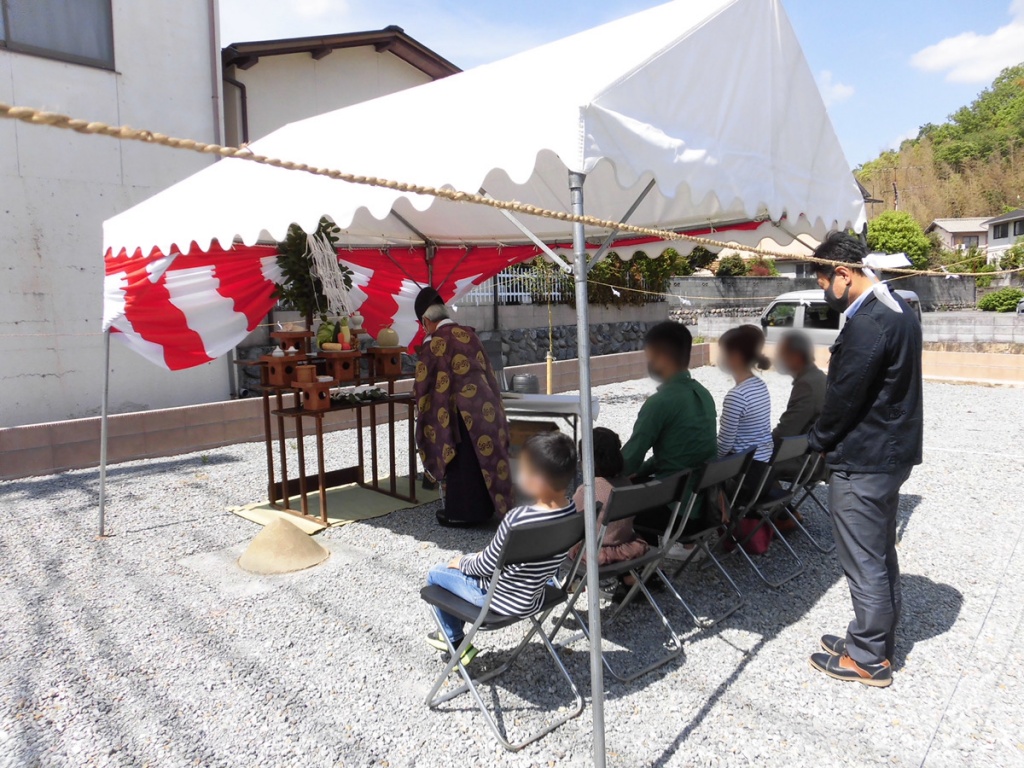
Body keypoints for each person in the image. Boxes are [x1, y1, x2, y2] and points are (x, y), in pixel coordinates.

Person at [805, 232, 923, 689]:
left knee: (864, 556)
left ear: (843, 274)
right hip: (891, 451)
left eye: (823, 284)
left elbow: (843, 398)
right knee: (878, 551)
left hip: (866, 457)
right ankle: (871, 637)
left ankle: (870, 657)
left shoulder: (869, 323)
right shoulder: (897, 306)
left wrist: (817, 440)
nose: (824, 295)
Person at [424, 432, 578, 664]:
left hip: (496, 598)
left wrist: (462, 561)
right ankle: (449, 636)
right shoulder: (571, 510)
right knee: (464, 564)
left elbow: (486, 566)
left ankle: (454, 640)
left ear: (538, 480)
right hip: (534, 595)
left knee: (436, 574)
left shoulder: (519, 519)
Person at [413, 287, 513, 527]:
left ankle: (463, 514)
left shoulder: (436, 343)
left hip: (460, 413)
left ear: (426, 321)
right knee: (486, 460)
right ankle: (490, 508)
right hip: (487, 407)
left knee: (463, 461)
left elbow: (423, 384)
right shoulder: (469, 334)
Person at [621, 321, 718, 541]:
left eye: (650, 358)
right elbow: (680, 451)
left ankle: (638, 569)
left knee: (606, 504)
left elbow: (628, 461)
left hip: (675, 512)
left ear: (662, 358)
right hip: (702, 506)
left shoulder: (660, 403)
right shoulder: (703, 394)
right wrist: (644, 470)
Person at [570, 427, 649, 566]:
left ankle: (574, 583)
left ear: (588, 461)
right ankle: (628, 577)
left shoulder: (588, 491)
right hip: (627, 546)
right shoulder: (627, 483)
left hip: (596, 552)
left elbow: (570, 523)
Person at [772, 330, 828, 484]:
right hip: (817, 456)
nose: (777, 359)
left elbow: (785, 432)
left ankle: (775, 507)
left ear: (796, 356)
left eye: (780, 354)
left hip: (811, 461)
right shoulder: (816, 377)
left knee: (749, 464)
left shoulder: (807, 385)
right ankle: (782, 507)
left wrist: (753, 447)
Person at [717, 325, 773, 463]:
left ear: (735, 357)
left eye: (723, 353)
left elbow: (724, 445)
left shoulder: (736, 396)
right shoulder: (760, 385)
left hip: (742, 468)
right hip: (763, 462)